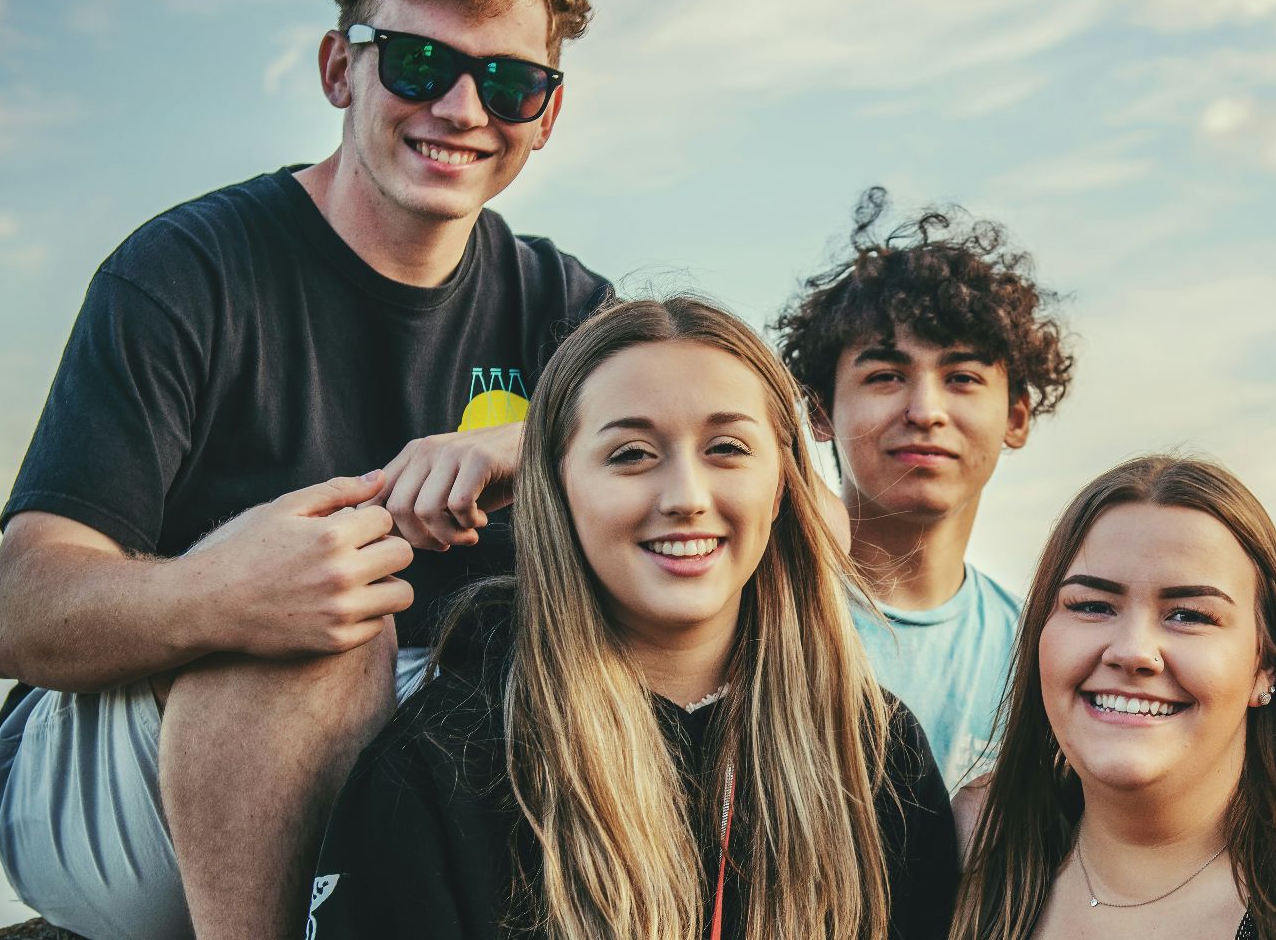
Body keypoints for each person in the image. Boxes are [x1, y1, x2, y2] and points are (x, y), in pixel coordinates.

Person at [0, 0, 610, 937]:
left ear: (546, 115)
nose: (460, 110)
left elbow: (752, 487)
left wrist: (536, 447)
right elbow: (20, 611)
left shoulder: (570, 312)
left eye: (509, 84)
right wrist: (227, 593)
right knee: (329, 603)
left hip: (404, 762)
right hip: (119, 770)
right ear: (338, 69)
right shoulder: (186, 270)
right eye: (419, 63)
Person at [308, 296, 959, 939]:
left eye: (727, 448)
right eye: (631, 455)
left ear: (783, 485)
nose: (685, 498)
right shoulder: (442, 764)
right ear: (557, 488)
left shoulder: (875, 753)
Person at [952, 456, 1276, 939]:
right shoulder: (978, 841)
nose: (1134, 652)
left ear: (1264, 666)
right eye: (1092, 605)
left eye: (1190, 615)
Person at [772, 188, 1074, 789]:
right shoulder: (753, 613)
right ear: (819, 410)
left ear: (1016, 417)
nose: (926, 410)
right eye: (886, 376)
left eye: (962, 377)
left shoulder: (1040, 658)